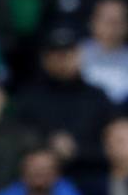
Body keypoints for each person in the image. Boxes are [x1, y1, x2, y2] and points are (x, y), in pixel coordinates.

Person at [13, 26, 115, 183]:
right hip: (40, 183)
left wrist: (77, 151)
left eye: (68, 53)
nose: (63, 59)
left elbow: (112, 147)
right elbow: (17, 141)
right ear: (44, 58)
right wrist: (48, 145)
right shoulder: (29, 99)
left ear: (79, 55)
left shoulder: (97, 97)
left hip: (92, 180)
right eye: (56, 54)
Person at [79, 0, 128, 112]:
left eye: (119, 21)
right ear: (92, 22)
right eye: (108, 21)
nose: (113, 27)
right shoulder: (77, 53)